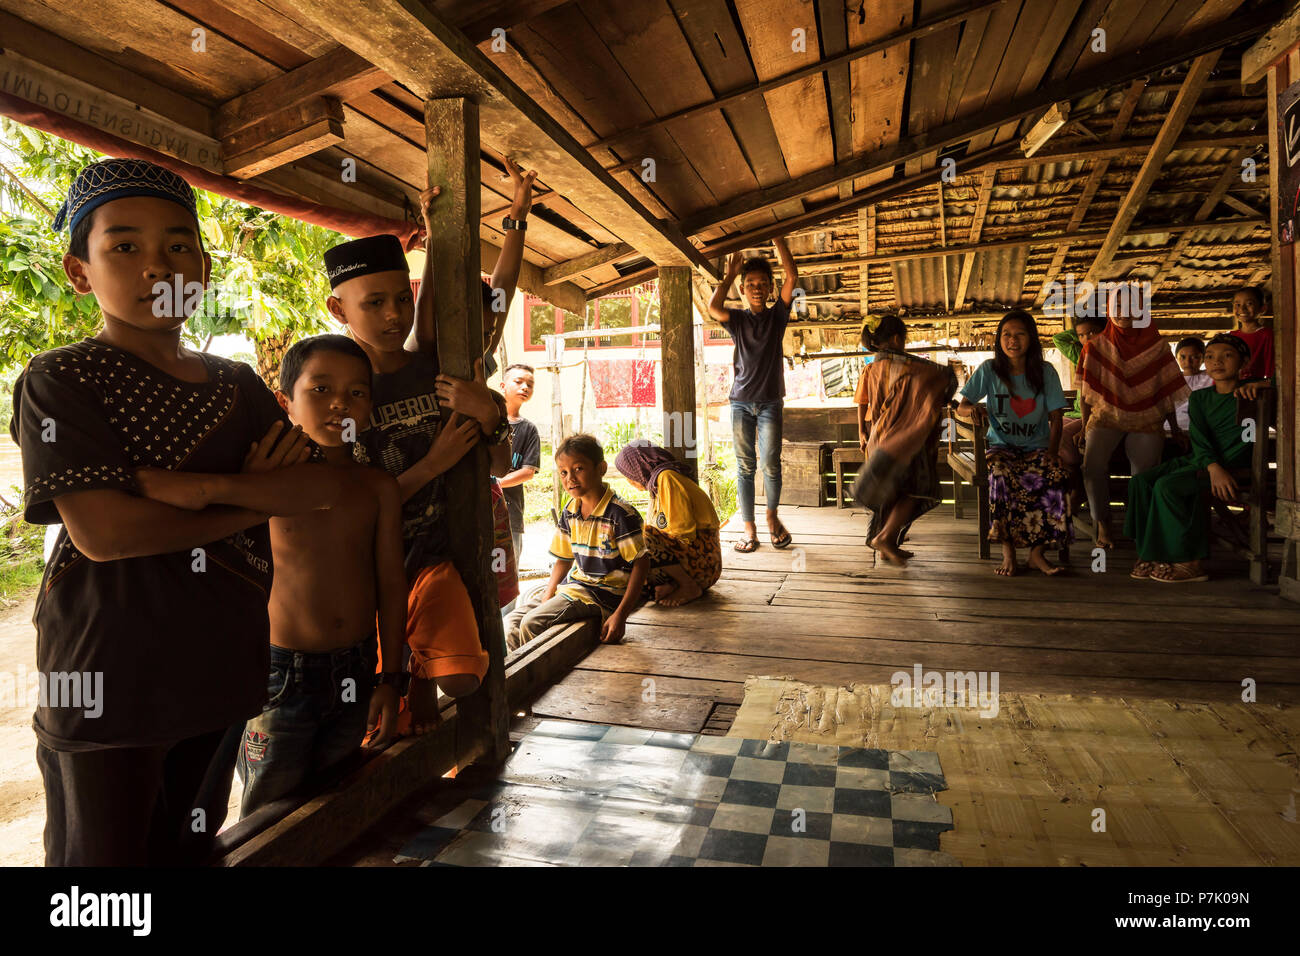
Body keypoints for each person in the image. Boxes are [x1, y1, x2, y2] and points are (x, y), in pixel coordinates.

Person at [11, 159, 343, 865]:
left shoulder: (238, 384)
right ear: (79, 271)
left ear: (205, 264)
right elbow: (105, 534)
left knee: (190, 852)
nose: (158, 266)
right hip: (107, 675)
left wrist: (196, 490)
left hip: (221, 664)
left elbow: (316, 490)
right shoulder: (62, 377)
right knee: (101, 878)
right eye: (124, 247)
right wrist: (250, 494)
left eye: (179, 245)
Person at [134, 336, 406, 817]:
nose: (339, 403)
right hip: (280, 675)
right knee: (267, 811)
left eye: (357, 393)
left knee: (336, 796)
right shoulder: (264, 482)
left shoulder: (378, 487)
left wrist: (392, 678)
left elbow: (390, 584)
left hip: (357, 670)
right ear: (285, 402)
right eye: (320, 389)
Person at [327, 197, 512, 736]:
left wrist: (490, 414)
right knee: (376, 721)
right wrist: (431, 465)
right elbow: (345, 505)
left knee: (462, 677)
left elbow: (498, 463)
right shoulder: (337, 388)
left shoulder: (435, 371)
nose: (392, 315)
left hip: (429, 559)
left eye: (400, 300)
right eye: (373, 303)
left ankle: (423, 681)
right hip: (360, 572)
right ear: (339, 310)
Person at [1126, 334, 1258, 583]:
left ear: (1244, 361)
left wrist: (1262, 384)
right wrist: (1212, 466)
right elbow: (1199, 438)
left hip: (1233, 466)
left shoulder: (1252, 395)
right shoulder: (1200, 397)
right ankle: (1150, 552)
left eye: (1226, 356)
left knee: (1168, 486)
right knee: (1140, 482)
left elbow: (1285, 380)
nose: (1216, 362)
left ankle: (1189, 561)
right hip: (1204, 461)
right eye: (1210, 357)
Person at [504, 434, 648, 650]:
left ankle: (538, 678)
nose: (570, 478)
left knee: (532, 623)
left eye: (578, 468)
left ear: (601, 468)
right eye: (563, 472)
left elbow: (641, 564)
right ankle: (520, 677)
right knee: (513, 621)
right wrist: (548, 593)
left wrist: (621, 615)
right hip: (574, 587)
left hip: (603, 595)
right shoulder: (570, 511)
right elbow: (563, 559)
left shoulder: (619, 514)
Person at [957, 309, 1072, 576]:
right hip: (1002, 448)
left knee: (1054, 474)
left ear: (1031, 338)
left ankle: (1036, 554)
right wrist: (973, 411)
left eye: (1020, 334)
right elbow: (963, 406)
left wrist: (1053, 452)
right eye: (1006, 335)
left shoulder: (1045, 372)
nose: (1013, 340)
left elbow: (1056, 416)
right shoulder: (989, 370)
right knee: (1000, 476)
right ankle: (1008, 553)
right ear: (999, 340)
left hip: (1038, 447)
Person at [707, 238, 798, 553]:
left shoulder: (777, 316)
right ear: (743, 289)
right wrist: (729, 276)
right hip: (741, 404)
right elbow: (713, 307)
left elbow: (793, 278)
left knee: (771, 464)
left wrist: (778, 239)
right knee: (744, 467)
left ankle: (772, 518)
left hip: (771, 403)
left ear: (770, 288)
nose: (757, 288)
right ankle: (749, 530)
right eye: (750, 284)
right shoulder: (739, 319)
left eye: (762, 284)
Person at [1078, 297, 1188, 549]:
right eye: (1116, 307)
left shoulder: (1158, 346)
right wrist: (1085, 426)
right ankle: (1103, 523)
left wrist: (1174, 427)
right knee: (1092, 468)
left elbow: (1166, 391)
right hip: (1106, 417)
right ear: (1108, 311)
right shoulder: (1095, 346)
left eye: (1129, 307)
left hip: (1147, 418)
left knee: (1143, 475)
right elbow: (1085, 392)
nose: (1122, 313)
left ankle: (1139, 527)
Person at [849, 315, 957, 567]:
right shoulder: (911, 368)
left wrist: (863, 432)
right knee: (918, 490)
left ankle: (887, 545)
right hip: (905, 442)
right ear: (898, 339)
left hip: (879, 438)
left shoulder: (872, 369)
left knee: (892, 492)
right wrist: (946, 382)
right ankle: (885, 538)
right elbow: (939, 380)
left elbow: (864, 403)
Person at [614, 439, 721, 606]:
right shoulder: (656, 484)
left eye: (628, 473)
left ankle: (688, 585)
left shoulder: (667, 478)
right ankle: (671, 585)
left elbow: (682, 533)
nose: (629, 480)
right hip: (695, 564)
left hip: (703, 566)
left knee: (643, 536)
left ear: (639, 466)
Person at [1051, 316, 1106, 475]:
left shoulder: (1110, 357)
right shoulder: (1080, 353)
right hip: (1076, 414)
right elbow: (1059, 339)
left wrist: (1087, 335)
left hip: (1093, 416)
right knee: (1050, 429)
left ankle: (1072, 474)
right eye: (1081, 335)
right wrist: (1082, 334)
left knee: (1063, 435)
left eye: (1092, 333)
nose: (1086, 338)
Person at [498, 363, 540, 564]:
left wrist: (496, 484)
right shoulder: (488, 420)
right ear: (502, 385)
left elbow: (528, 471)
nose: (525, 387)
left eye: (530, 384)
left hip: (510, 513)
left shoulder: (529, 430)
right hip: (480, 510)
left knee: (508, 569)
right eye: (518, 381)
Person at [1168, 336, 1213, 438]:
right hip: (1171, 428)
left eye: (1195, 357)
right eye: (1183, 357)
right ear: (1176, 358)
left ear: (1203, 358)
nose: (1188, 362)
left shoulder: (1211, 377)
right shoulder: (1170, 380)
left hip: (1201, 429)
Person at [1230, 286, 1275, 381]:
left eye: (1249, 303)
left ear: (1262, 308)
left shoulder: (1267, 335)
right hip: (1234, 387)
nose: (1242, 308)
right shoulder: (1231, 336)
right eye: (1237, 304)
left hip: (1256, 388)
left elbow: (1271, 370)